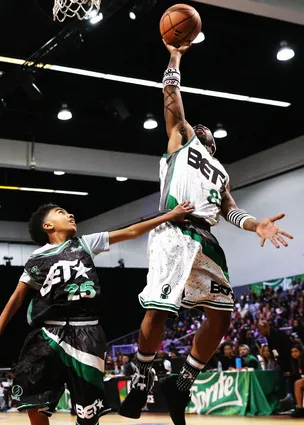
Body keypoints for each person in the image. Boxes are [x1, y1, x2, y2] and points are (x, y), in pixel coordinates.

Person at [119, 40, 293, 425]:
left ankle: (182, 383)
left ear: (214, 142)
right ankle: (142, 375)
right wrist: (175, 57)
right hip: (174, 230)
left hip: (207, 239)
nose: (199, 127)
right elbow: (172, 98)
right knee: (158, 309)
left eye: (205, 130)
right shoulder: (181, 140)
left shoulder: (222, 172)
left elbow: (229, 209)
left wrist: (255, 224)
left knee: (222, 315)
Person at [0, 202, 194, 425]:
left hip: (87, 332)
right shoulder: (37, 258)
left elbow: (131, 231)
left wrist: (169, 216)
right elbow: (16, 298)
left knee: (88, 414)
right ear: (47, 225)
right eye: (61, 213)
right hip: (47, 334)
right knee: (35, 403)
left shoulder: (84, 243)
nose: (70, 214)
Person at [290, 344, 304, 417]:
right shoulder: (295, 363)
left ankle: (300, 408)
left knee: (297, 383)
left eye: (296, 351)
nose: (294, 353)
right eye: (292, 352)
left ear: (301, 352)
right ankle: (299, 407)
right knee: (296, 383)